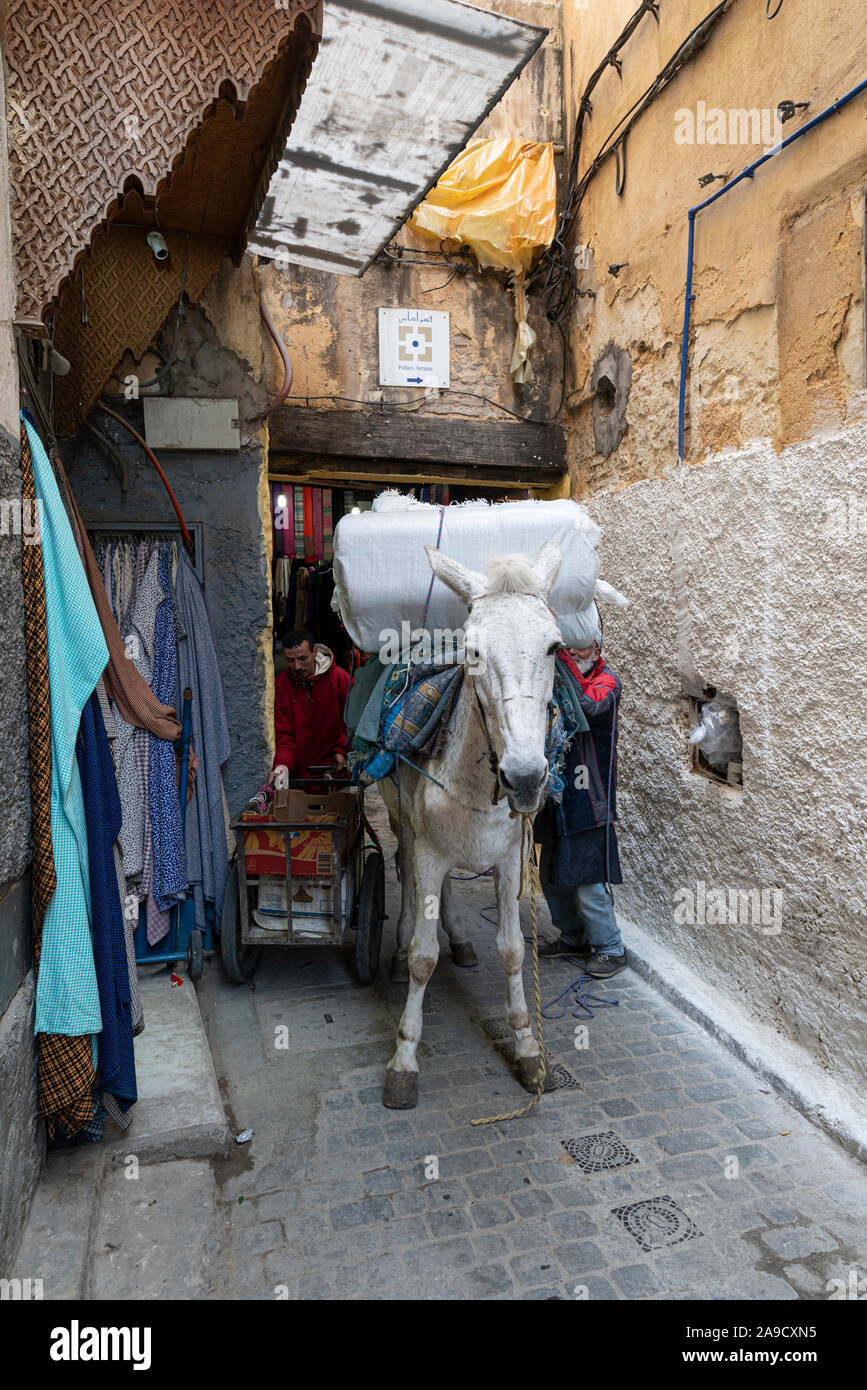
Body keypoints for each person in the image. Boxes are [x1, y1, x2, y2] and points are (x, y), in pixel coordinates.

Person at [535, 618, 627, 979]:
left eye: (581, 647)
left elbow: (589, 708)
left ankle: (610, 948)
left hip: (590, 798)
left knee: (588, 880)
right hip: (558, 796)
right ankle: (572, 936)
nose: (573, 653)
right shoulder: (560, 683)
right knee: (552, 876)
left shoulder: (608, 683)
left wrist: (562, 663)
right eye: (568, 647)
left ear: (598, 650)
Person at [271, 629, 351, 784]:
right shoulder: (281, 685)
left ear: (314, 652)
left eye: (302, 658)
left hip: (336, 777)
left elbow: (353, 725)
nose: (297, 666)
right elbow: (283, 734)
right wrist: (282, 766)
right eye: (290, 660)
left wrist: (341, 750)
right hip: (297, 779)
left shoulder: (341, 680)